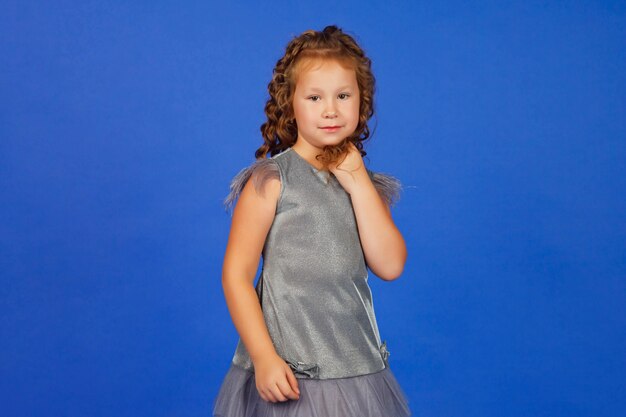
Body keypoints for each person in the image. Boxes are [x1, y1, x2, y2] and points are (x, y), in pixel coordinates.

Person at [212, 25, 411, 417]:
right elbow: (236, 276)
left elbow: (389, 265)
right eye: (315, 97)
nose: (331, 109)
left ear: (361, 101)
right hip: (288, 372)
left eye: (343, 96)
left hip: (357, 372)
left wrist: (356, 181)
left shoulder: (367, 187)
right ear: (291, 103)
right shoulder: (272, 181)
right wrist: (264, 357)